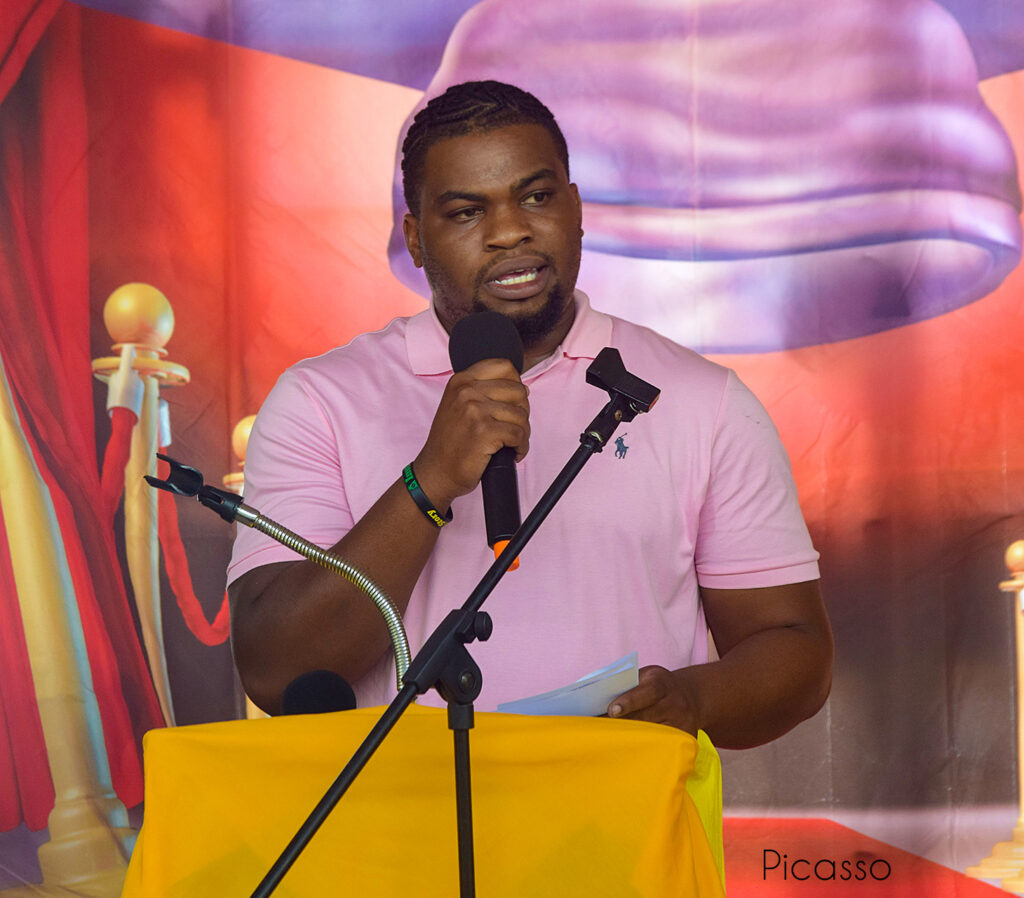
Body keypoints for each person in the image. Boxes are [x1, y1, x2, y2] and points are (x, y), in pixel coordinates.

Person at [227, 80, 832, 749]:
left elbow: (795, 649)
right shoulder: (321, 402)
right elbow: (278, 669)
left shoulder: (703, 400)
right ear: (416, 237)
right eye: (465, 212)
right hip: (400, 835)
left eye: (537, 197)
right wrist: (427, 482)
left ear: (575, 209)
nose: (511, 231)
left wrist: (693, 696)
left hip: (622, 836)